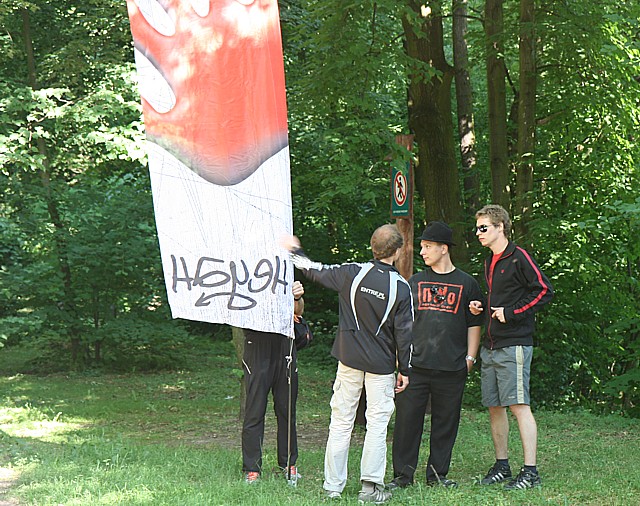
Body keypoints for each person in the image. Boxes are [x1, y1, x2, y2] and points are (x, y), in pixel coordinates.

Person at [283, 224, 413, 504]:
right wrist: (405, 369)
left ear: (372, 248)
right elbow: (405, 334)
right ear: (398, 251)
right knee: (377, 424)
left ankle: (333, 487)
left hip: (349, 360)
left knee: (341, 422)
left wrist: (294, 249)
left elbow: (313, 269)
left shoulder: (353, 272)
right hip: (381, 365)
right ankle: (370, 488)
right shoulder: (401, 288)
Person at [389, 221, 484, 490]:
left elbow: (474, 323)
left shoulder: (467, 283)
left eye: (428, 246)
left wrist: (470, 359)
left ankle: (437, 475)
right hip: (415, 367)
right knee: (407, 423)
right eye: (422, 246)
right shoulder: (415, 282)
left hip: (451, 367)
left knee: (446, 424)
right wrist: (400, 361)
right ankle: (402, 476)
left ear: (444, 249)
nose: (422, 252)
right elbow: (402, 324)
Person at [469, 204, 554, 490]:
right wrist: (481, 306)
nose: (478, 233)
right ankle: (502, 465)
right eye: (477, 228)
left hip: (514, 344)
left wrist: (512, 313)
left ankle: (530, 472)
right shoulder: (488, 261)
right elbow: (498, 300)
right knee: (495, 407)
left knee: (519, 406)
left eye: (483, 228)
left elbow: (544, 290)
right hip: (491, 346)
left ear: (500, 227)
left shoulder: (519, 257)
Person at [242, 280, 306, 486]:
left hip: (284, 344)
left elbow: (298, 312)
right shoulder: (246, 276)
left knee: (287, 411)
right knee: (254, 411)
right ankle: (252, 469)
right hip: (257, 345)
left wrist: (297, 297)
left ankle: (289, 464)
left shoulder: (284, 273)